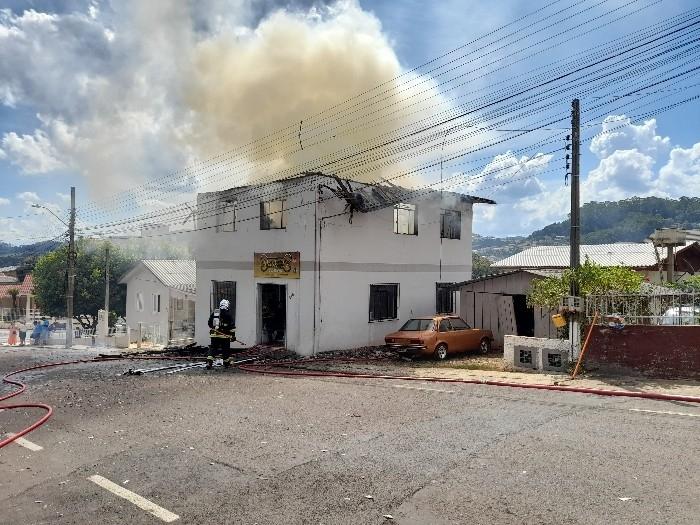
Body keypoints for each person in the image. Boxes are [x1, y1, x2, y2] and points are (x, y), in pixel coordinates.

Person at [207, 299, 235, 369]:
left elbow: (210, 323)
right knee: (225, 350)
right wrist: (233, 336)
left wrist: (215, 327)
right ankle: (226, 364)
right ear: (227, 306)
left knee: (213, 349)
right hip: (224, 337)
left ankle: (209, 362)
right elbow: (232, 327)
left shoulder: (215, 312)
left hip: (214, 335)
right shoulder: (228, 315)